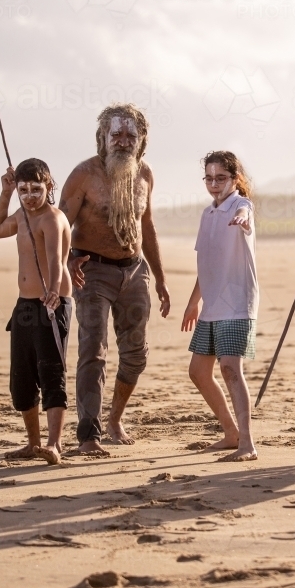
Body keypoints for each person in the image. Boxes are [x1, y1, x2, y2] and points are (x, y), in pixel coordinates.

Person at [59, 103, 171, 456]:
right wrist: (69, 259)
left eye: (130, 136)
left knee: (136, 354)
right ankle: (88, 434)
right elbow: (60, 225)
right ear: (103, 138)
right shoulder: (84, 175)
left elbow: (147, 224)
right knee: (93, 350)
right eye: (116, 134)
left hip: (134, 271)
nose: (123, 141)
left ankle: (114, 420)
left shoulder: (145, 174)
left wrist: (161, 279)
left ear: (141, 142)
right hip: (91, 272)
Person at [0, 158, 73, 466]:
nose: (29, 196)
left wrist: (52, 291)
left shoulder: (52, 218)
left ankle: (54, 444)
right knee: (22, 378)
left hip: (51, 303)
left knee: (51, 372)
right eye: (23, 190)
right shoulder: (21, 215)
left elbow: (56, 259)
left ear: (49, 186)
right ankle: (33, 443)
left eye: (36, 189)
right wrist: (6, 192)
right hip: (24, 305)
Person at [181, 151, 260, 462]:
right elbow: (207, 265)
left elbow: (246, 214)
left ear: (235, 179)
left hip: (237, 302)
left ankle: (247, 444)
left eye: (221, 178)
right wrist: (193, 302)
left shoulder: (242, 205)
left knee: (230, 368)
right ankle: (231, 433)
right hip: (212, 304)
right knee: (198, 372)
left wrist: (241, 220)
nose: (214, 184)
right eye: (209, 178)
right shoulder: (207, 214)